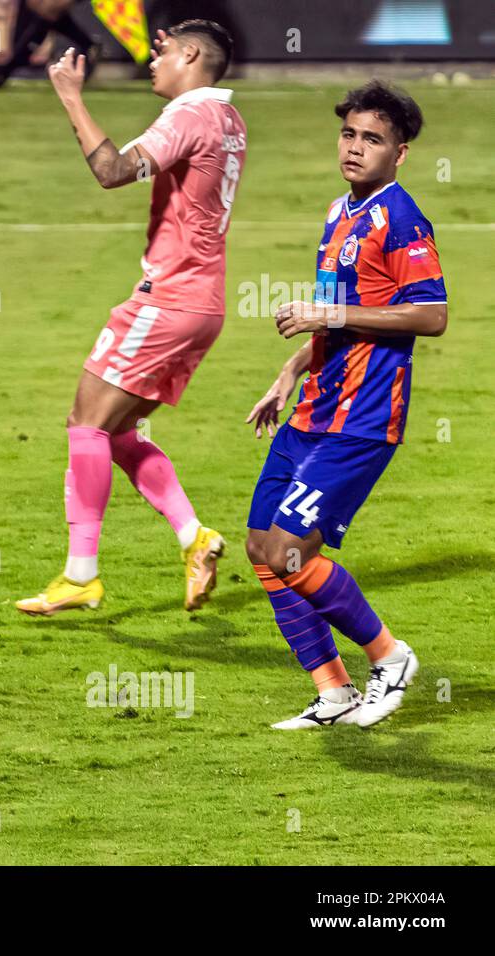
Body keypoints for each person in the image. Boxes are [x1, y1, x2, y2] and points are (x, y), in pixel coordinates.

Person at [15, 20, 245, 616]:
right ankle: (194, 537)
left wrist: (71, 97)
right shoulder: (228, 118)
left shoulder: (191, 115)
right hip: (203, 304)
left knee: (85, 425)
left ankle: (81, 576)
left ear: (190, 55)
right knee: (119, 433)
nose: (152, 61)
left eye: (162, 52)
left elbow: (112, 171)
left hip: (166, 301)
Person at [245, 81, 445, 730]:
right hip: (313, 410)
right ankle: (334, 692)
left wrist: (324, 315)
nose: (356, 148)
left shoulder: (402, 219)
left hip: (362, 419)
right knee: (261, 546)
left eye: (373, 139)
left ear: (400, 153)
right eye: (349, 134)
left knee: (289, 551)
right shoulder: (340, 211)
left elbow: (431, 315)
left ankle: (390, 656)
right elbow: (339, 315)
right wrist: (288, 372)